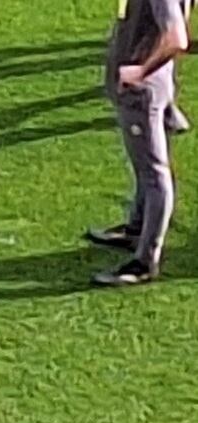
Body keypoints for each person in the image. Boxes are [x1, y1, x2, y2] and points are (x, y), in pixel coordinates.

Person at [86, 0, 190, 286]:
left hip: (141, 93)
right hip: (145, 90)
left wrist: (141, 72)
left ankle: (145, 262)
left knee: (154, 173)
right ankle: (135, 229)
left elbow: (176, 39)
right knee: (145, 167)